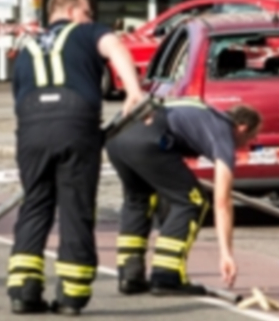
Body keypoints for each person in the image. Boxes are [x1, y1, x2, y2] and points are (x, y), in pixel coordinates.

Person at [7, 0, 143, 316]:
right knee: (75, 203)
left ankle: (24, 291)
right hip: (75, 119)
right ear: (71, 12)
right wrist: (134, 90)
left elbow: (18, 96)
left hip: (31, 124)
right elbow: (114, 46)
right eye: (87, 12)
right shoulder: (86, 32)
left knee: (35, 202)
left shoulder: (26, 47)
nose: (91, 19)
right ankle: (72, 293)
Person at [108, 99, 261, 296]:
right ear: (242, 128)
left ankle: (130, 274)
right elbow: (222, 202)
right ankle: (166, 276)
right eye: (251, 138)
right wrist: (226, 254)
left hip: (117, 137)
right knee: (192, 200)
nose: (247, 145)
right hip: (148, 138)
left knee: (139, 198)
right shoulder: (223, 132)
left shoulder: (203, 114)